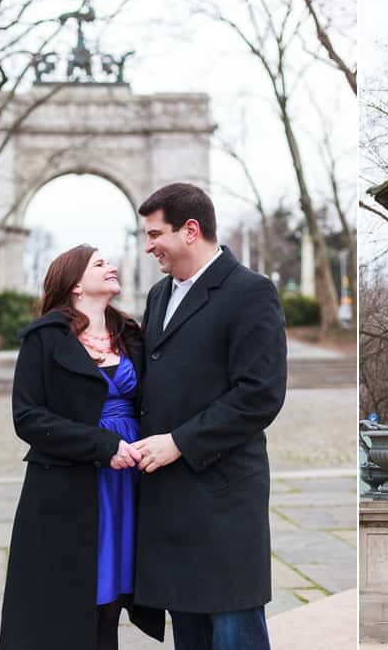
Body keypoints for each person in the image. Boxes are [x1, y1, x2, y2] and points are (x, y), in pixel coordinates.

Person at [132, 183, 287, 650]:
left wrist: (178, 442)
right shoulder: (159, 294)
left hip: (223, 496)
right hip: (169, 498)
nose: (148, 245)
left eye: (155, 233)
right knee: (190, 636)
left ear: (191, 230)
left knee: (233, 628)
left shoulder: (250, 292)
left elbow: (260, 395)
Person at [0, 245, 164, 650]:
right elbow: (28, 417)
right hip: (72, 484)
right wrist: (103, 444)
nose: (111, 267)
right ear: (75, 283)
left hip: (130, 481)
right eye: (99, 264)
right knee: (76, 599)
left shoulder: (132, 334)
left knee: (115, 600)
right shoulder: (44, 338)